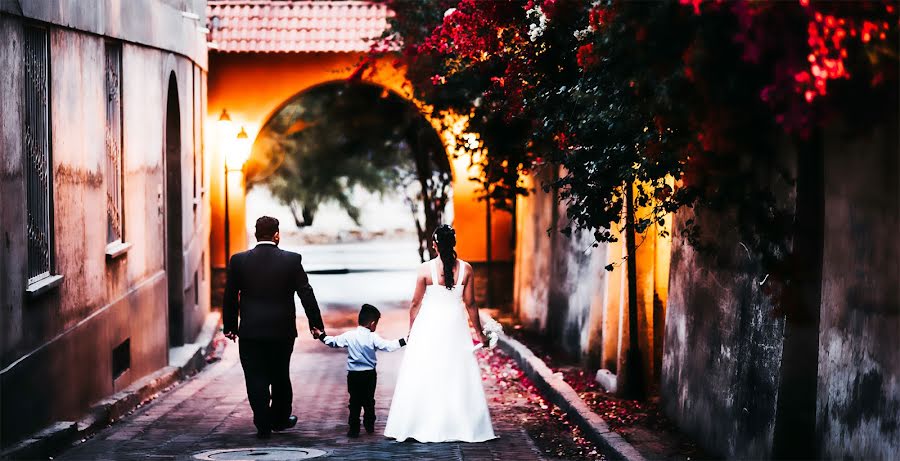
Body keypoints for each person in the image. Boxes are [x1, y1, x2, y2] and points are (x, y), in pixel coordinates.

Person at [384, 224, 496, 442]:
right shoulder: (467, 269)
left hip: (429, 326)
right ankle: (459, 425)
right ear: (453, 244)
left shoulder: (425, 270)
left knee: (425, 371)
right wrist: (480, 334)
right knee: (456, 372)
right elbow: (471, 304)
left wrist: (412, 330)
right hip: (455, 327)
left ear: (434, 245)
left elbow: (415, 304)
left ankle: (422, 423)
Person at [223, 216, 325, 439]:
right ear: (277, 234)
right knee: (280, 374)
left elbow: (230, 296)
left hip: (250, 332)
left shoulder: (239, 261)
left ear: (256, 233)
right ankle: (279, 418)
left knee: (255, 376)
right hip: (282, 332)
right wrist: (316, 324)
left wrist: (230, 326)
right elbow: (306, 293)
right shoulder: (291, 260)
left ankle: (262, 422)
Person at [317, 304, 407, 438]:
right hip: (369, 375)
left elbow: (333, 342)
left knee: (354, 402)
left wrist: (321, 335)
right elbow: (388, 346)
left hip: (353, 375)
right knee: (369, 400)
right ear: (372, 324)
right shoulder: (373, 337)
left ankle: (354, 429)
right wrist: (405, 340)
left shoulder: (349, 335)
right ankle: (369, 424)